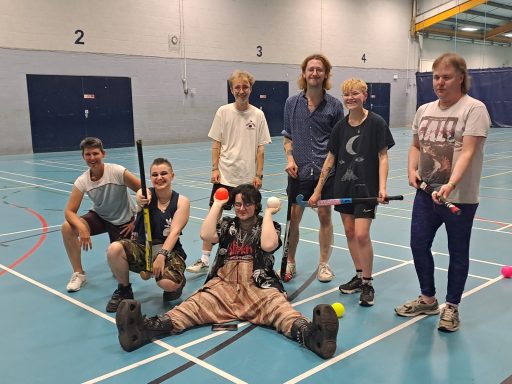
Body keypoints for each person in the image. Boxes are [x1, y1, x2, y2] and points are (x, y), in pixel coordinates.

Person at [115, 184, 339, 359]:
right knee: (190, 309)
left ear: (257, 205)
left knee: (280, 310)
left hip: (257, 286)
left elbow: (269, 245)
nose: (242, 208)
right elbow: (205, 235)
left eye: (248, 204)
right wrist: (217, 204)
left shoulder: (269, 225)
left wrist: (269, 213)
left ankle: (313, 337)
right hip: (223, 285)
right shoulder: (226, 225)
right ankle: (143, 330)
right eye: (238, 204)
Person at [395, 53, 490, 332]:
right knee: (418, 244)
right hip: (426, 195)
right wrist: (411, 170)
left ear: (461, 77)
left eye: (446, 77)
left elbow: (469, 151)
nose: (440, 82)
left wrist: (450, 185)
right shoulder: (424, 110)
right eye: (436, 76)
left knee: (457, 252)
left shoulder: (474, 109)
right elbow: (415, 146)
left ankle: (452, 306)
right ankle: (427, 298)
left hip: (458, 198)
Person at [309, 78, 395, 306]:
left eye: (355, 93)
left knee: (361, 234)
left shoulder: (376, 123)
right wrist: (318, 191)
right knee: (348, 231)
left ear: (364, 95)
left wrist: (383, 188)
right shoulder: (340, 127)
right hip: (344, 186)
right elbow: (330, 159)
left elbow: (382, 156)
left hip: (366, 189)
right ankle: (358, 276)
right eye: (346, 94)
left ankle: (368, 282)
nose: (350, 98)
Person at [187, 70, 271, 275]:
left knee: (248, 219)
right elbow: (216, 143)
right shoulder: (223, 112)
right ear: (232, 89)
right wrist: (215, 168)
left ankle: (250, 258)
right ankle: (205, 259)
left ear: (250, 88)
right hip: (224, 175)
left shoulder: (258, 115)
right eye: (237, 87)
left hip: (247, 177)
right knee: (213, 216)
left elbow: (261, 148)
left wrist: (258, 175)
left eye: (245, 87)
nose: (241, 91)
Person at [282, 53, 344, 282]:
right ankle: (290, 262)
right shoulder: (292, 103)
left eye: (319, 69)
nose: (315, 73)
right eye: (311, 69)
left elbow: (336, 146)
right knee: (293, 219)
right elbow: (287, 137)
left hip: (325, 173)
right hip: (298, 172)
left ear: (325, 74)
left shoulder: (335, 106)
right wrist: (290, 159)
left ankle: (324, 264)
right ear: (304, 73)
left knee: (325, 217)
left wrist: (324, 176)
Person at [105, 158, 190, 312]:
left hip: (169, 251)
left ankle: (177, 281)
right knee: (114, 249)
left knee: (167, 284)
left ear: (172, 175)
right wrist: (141, 198)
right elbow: (140, 195)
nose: (159, 178)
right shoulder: (146, 194)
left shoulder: (181, 201)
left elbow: (175, 231)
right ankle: (124, 290)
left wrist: (162, 256)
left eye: (164, 173)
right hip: (144, 249)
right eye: (154, 175)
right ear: (150, 178)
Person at [62, 137, 141, 292]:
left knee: (118, 270)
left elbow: (144, 192)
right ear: (83, 156)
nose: (92, 158)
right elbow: (69, 211)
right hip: (100, 217)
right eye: (88, 154)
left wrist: (136, 222)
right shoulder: (82, 180)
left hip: (123, 223)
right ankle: (79, 273)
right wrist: (82, 229)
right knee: (67, 228)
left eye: (95, 153)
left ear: (103, 154)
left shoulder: (117, 171)